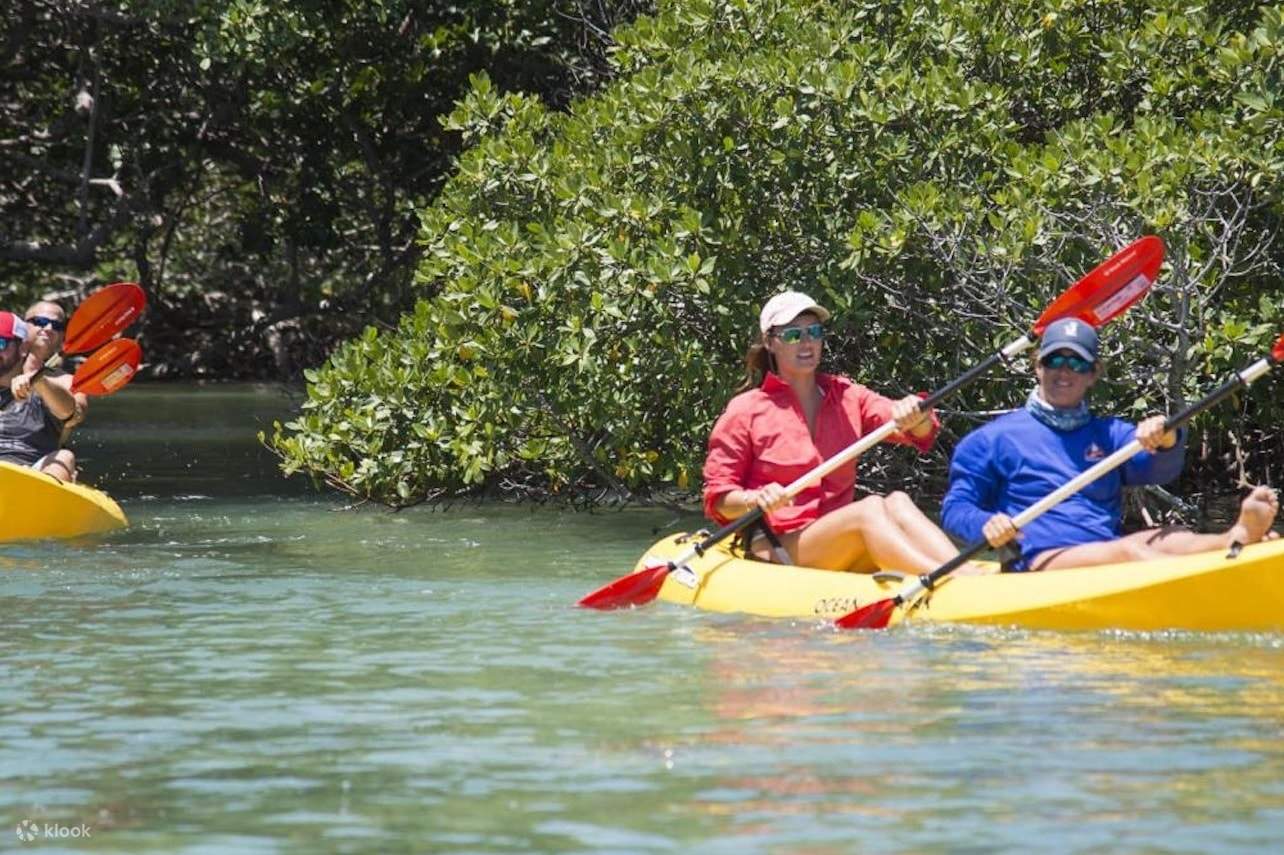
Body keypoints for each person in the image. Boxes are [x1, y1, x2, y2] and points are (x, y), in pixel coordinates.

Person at [941, 317, 1279, 572]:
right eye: (1054, 360)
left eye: (1077, 363)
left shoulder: (1111, 435)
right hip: (1037, 559)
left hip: (1103, 548)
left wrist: (1166, 439)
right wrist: (986, 525)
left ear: (1093, 373)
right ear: (1037, 366)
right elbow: (956, 508)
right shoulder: (991, 440)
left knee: (1173, 535)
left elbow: (1160, 471)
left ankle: (1234, 538)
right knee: (1129, 554)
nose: (1065, 372)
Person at [702, 291, 984, 574]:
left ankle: (964, 571)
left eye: (814, 332)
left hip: (838, 538)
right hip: (777, 547)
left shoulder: (846, 395)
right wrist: (755, 498)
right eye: (792, 335)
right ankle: (951, 579)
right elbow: (719, 499)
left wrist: (914, 414)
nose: (806, 342)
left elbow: (919, 431)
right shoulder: (745, 410)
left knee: (897, 501)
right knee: (871, 508)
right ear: (769, 343)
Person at [0, 309, 80, 482]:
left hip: (31, 476)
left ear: (22, 348)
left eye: (0, 343)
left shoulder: (51, 384)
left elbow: (70, 414)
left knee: (64, 456)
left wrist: (40, 382)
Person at [22, 299, 89, 439]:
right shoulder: (5, 367)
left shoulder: (70, 381)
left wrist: (41, 383)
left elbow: (76, 416)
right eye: (40, 321)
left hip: (41, 456)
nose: (48, 328)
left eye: (57, 325)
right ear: (23, 326)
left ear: (62, 337)